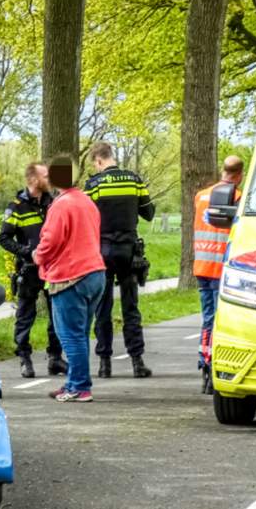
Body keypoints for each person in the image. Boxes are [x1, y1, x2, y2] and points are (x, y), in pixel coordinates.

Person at [34, 155, 106, 403]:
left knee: (70, 336)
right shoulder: (87, 201)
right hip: (95, 272)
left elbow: (51, 240)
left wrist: (37, 255)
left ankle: (80, 387)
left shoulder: (61, 205)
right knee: (81, 333)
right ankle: (74, 382)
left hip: (70, 276)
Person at [85, 142, 155, 379]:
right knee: (130, 307)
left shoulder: (93, 185)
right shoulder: (135, 180)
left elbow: (85, 218)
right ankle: (137, 361)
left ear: (98, 160)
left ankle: (105, 364)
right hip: (129, 252)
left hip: (101, 252)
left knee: (102, 308)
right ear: (111, 157)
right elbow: (149, 213)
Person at [0, 162, 67, 379]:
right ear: (33, 180)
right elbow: (4, 238)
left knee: (57, 312)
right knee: (25, 314)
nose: (50, 179)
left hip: (54, 268)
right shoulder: (16, 206)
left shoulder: (54, 202)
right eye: (45, 176)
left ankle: (55, 357)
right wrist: (27, 252)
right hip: (29, 269)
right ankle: (24, 358)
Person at [191, 155, 244, 377]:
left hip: (202, 265)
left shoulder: (201, 196)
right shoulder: (240, 198)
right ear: (240, 175)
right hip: (221, 269)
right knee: (220, 322)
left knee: (208, 318)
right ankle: (214, 364)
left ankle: (204, 358)